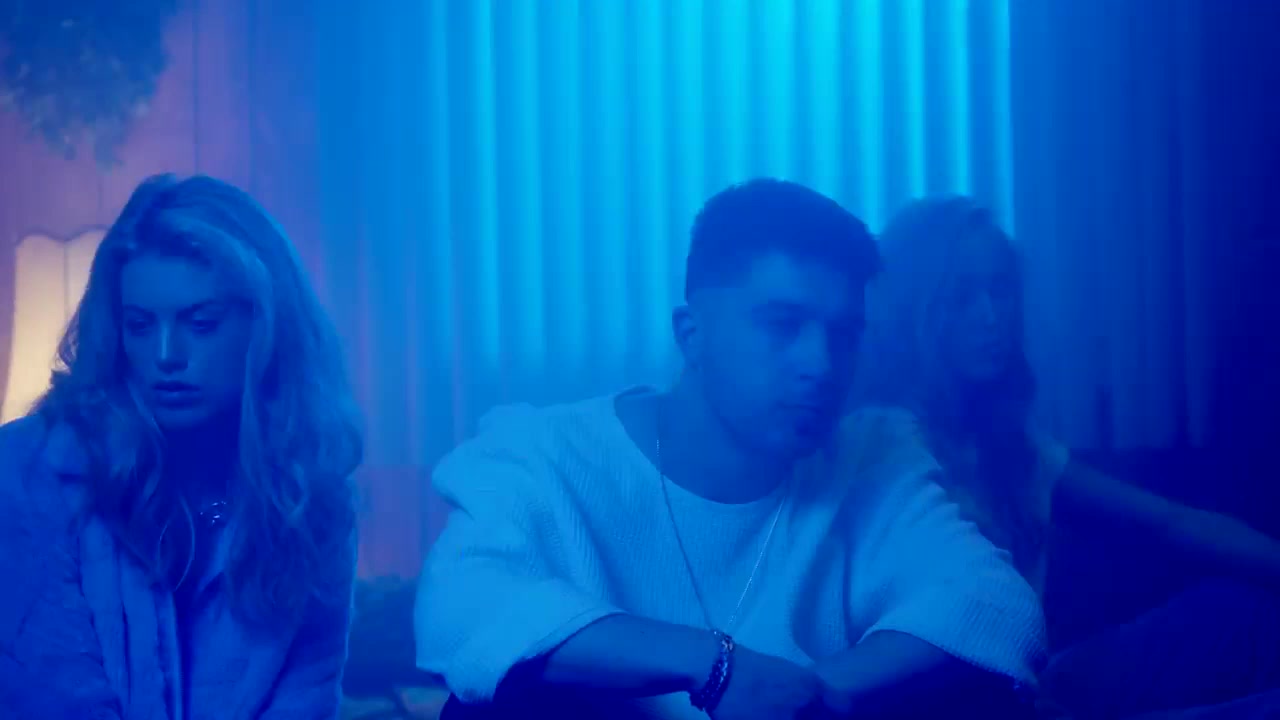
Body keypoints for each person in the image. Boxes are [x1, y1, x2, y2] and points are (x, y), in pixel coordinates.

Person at [415, 179, 1047, 719]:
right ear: (692, 334)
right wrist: (716, 667)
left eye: (844, 335)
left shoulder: (872, 456)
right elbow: (458, 610)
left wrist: (813, 693)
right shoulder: (542, 453)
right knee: (496, 703)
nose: (821, 364)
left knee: (975, 688)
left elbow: (997, 606)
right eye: (783, 325)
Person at [853, 195, 1280, 718]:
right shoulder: (888, 444)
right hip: (975, 702)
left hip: (1041, 682)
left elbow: (1168, 523)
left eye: (1000, 289)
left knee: (1243, 612)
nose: (991, 317)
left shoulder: (1006, 440)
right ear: (914, 311)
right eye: (960, 297)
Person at [0, 174, 363, 719]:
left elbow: (306, 694)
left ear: (265, 328)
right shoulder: (30, 473)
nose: (166, 355)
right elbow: (51, 695)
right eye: (140, 325)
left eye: (201, 323)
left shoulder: (308, 490)